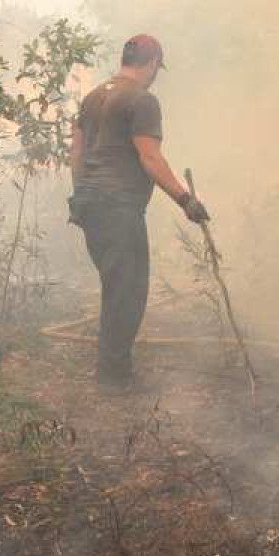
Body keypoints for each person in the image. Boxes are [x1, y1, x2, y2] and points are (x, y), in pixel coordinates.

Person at [68, 34, 209, 386]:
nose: (156, 74)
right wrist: (185, 199)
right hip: (118, 207)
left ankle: (112, 370)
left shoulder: (93, 97)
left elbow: (77, 154)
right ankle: (114, 378)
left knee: (116, 286)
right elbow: (150, 157)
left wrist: (82, 194)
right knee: (128, 291)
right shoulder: (142, 101)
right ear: (151, 63)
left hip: (89, 204)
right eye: (157, 68)